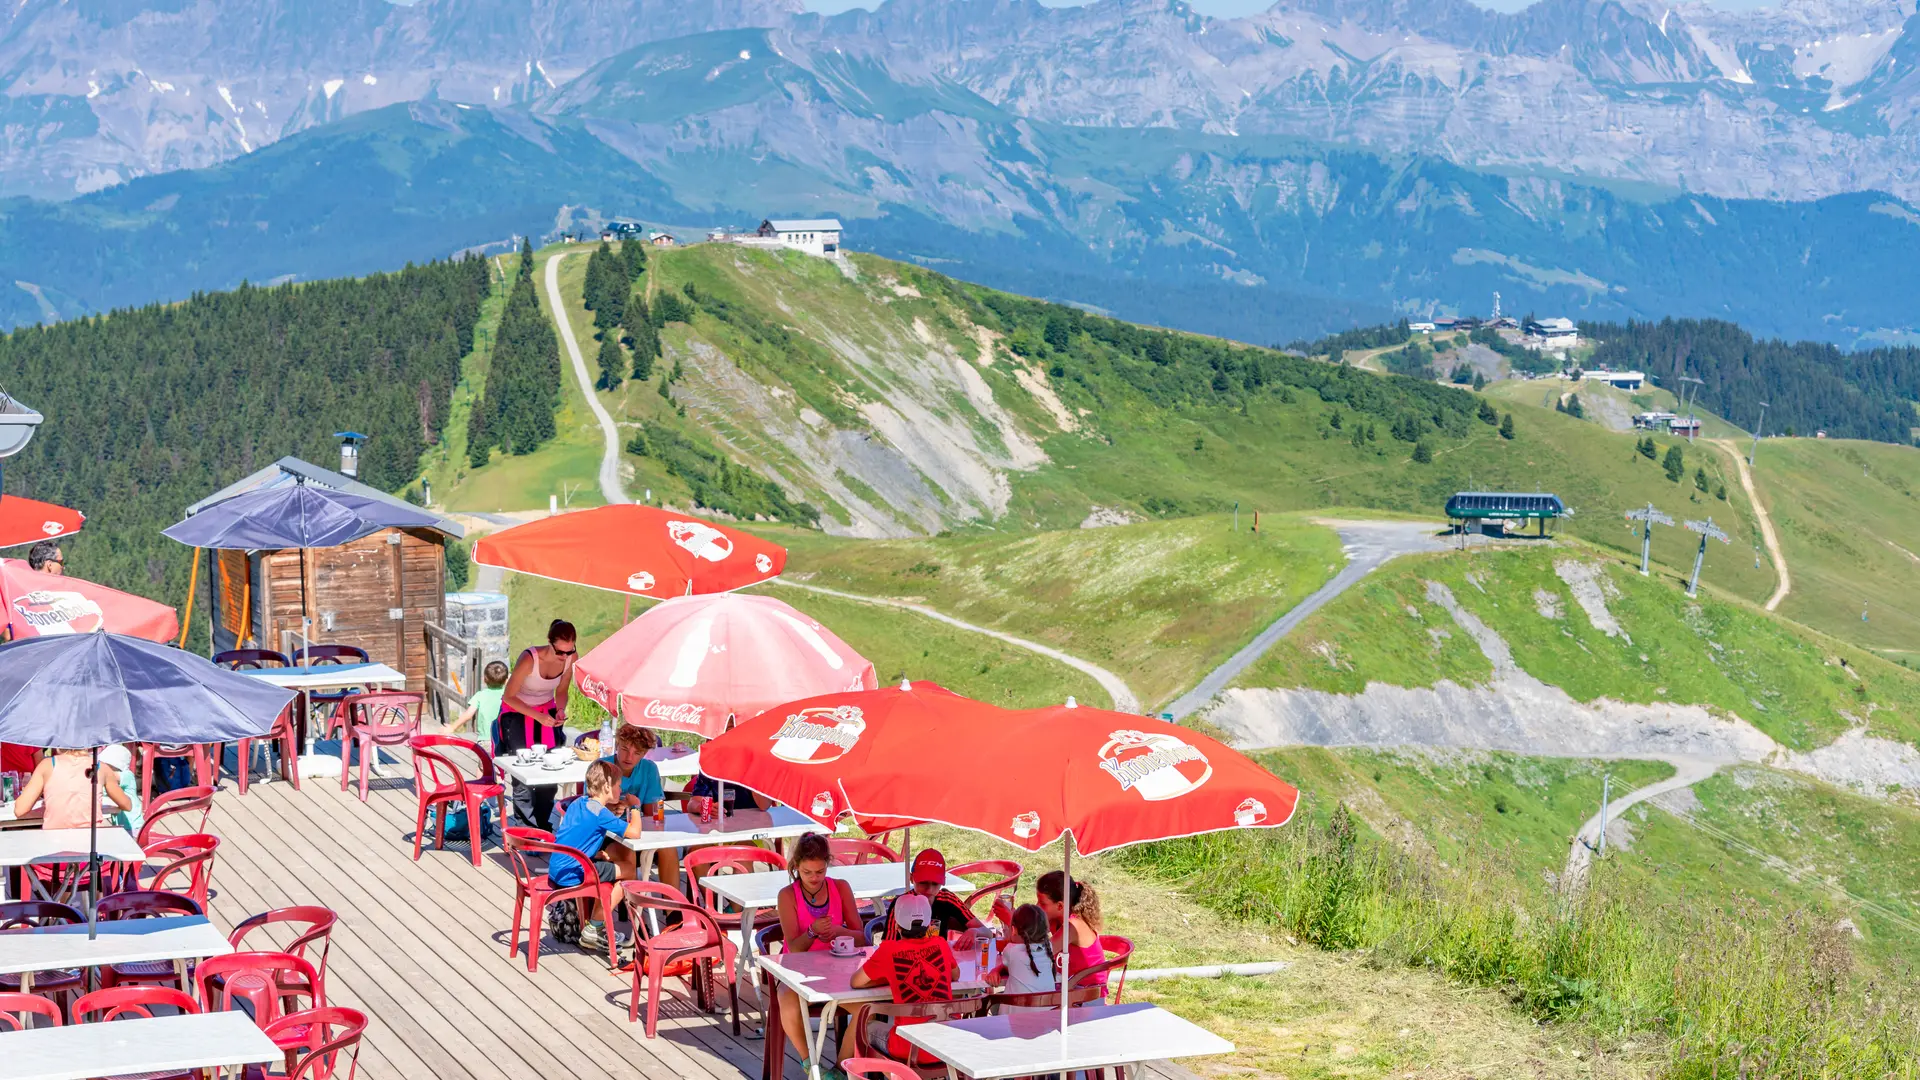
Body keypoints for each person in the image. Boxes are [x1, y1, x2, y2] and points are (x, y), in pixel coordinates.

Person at [773, 833, 868, 1064]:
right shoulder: (788, 895)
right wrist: (812, 932)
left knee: (869, 1009)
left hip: (838, 972)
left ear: (828, 864)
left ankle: (840, 1067)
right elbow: (794, 949)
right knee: (786, 998)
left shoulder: (840, 888)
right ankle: (809, 1063)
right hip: (798, 972)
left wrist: (837, 931)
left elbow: (862, 938)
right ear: (796, 867)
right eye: (807, 873)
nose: (814, 878)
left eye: (820, 872)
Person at [548, 760, 644, 955]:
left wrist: (594, 853)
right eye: (618, 785)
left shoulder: (578, 803)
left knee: (614, 856)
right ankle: (595, 926)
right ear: (607, 786)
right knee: (630, 872)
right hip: (575, 873)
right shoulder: (600, 813)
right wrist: (635, 806)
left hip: (558, 867)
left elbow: (576, 834)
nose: (621, 789)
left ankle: (600, 921)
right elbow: (634, 832)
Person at [850, 892, 957, 1065]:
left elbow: (856, 981)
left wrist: (889, 978)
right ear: (929, 924)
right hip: (947, 1045)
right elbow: (955, 974)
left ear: (896, 925)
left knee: (864, 1025)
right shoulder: (941, 944)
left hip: (906, 1046)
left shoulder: (888, 949)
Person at [497, 620, 578, 830]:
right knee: (523, 772)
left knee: (550, 768)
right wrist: (536, 716)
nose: (565, 657)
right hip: (517, 712)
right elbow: (508, 696)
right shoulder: (529, 658)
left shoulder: (570, 659)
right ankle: (525, 829)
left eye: (570, 652)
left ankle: (543, 824)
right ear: (549, 643)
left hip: (546, 712)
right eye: (561, 652)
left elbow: (561, 691)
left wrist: (560, 709)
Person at [599, 724, 677, 891]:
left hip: (639, 830)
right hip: (607, 836)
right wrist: (611, 809)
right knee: (627, 852)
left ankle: (674, 913)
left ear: (645, 754)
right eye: (625, 749)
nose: (629, 757)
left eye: (637, 753)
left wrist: (638, 805)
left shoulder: (649, 769)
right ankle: (632, 907)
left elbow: (653, 814)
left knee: (669, 848)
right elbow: (592, 810)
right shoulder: (601, 768)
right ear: (617, 744)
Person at [11, 746, 131, 828]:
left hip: (53, 853)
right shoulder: (100, 767)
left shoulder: (47, 765)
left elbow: (20, 810)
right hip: (90, 853)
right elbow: (127, 805)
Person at [879, 849, 980, 944]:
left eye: (935, 884)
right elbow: (887, 945)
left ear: (943, 881)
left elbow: (986, 932)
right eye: (923, 883)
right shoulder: (901, 904)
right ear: (911, 878)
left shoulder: (947, 899)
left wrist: (974, 931)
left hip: (939, 958)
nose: (929, 889)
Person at [1036, 870, 1107, 998]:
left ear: (1060, 906)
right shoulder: (1056, 920)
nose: (1037, 906)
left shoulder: (1073, 926)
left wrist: (1012, 920)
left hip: (1088, 997)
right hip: (1069, 988)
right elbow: (1030, 943)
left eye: (1042, 903)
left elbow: (1039, 955)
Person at [986, 903, 1056, 1008]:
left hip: (1015, 1020)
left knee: (992, 1004)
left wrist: (995, 970)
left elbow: (1007, 966)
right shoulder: (1048, 947)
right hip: (1048, 1015)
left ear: (1013, 930)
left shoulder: (1010, 951)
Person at [449, 660, 509, 744]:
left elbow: (468, 715)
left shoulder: (480, 695)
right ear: (506, 681)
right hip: (505, 740)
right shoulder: (509, 696)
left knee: (485, 757)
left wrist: (452, 727)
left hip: (486, 740)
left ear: (485, 679)